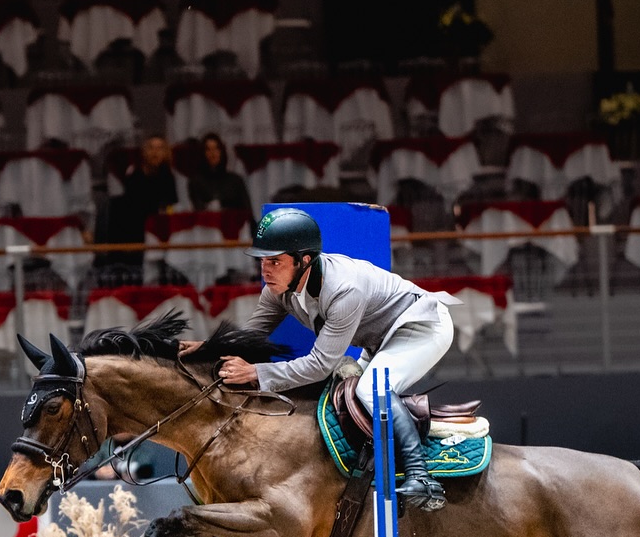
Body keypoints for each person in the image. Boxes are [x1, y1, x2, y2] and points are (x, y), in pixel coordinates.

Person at [181, 207, 460, 510]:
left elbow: (320, 364)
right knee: (336, 398)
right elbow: (251, 338)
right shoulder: (278, 290)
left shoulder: (344, 289)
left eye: (275, 261)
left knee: (370, 390)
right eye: (263, 261)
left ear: (304, 260)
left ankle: (421, 477)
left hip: (420, 327)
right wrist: (209, 349)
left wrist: (256, 373)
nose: (265, 270)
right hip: (380, 337)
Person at [101, 134, 179, 274]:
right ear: (144, 152)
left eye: (159, 148)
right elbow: (131, 206)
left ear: (165, 152)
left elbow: (171, 204)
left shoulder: (168, 177)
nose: (155, 152)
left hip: (158, 230)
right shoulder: (134, 175)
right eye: (151, 148)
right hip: (134, 229)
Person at [186, 132, 253, 224]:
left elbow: (247, 211)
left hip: (234, 228)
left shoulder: (235, 181)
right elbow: (198, 209)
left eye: (216, 148)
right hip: (207, 230)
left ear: (222, 151)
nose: (212, 153)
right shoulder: (195, 182)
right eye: (208, 149)